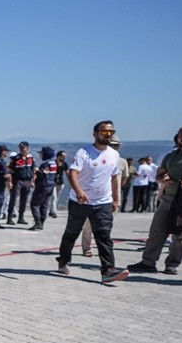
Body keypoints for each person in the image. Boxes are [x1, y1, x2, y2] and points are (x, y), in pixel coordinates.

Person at [127, 125, 182, 277]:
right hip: (169, 198)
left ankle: (172, 264)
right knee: (157, 231)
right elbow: (159, 175)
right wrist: (164, 179)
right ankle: (148, 262)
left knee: (181, 235)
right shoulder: (171, 156)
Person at [54, 120, 129, 284]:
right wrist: (79, 191)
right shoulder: (84, 152)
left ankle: (108, 270)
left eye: (111, 132)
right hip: (80, 202)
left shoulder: (114, 154)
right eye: (104, 132)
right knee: (72, 233)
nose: (108, 135)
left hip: (103, 202)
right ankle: (64, 260)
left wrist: (116, 198)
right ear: (95, 134)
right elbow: (73, 173)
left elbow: (115, 177)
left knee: (103, 235)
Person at [29, 146, 58, 230]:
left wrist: (37, 171)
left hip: (43, 186)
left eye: (41, 153)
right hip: (51, 185)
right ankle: (42, 222)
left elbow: (43, 174)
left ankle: (38, 222)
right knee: (45, 204)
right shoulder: (54, 163)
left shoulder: (45, 164)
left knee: (35, 204)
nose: (40, 155)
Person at [6, 141, 34, 224]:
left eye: (23, 148)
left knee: (24, 200)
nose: (22, 150)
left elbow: (33, 170)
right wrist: (10, 182)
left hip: (27, 181)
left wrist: (33, 181)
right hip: (17, 181)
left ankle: (21, 217)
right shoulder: (15, 158)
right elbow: (10, 170)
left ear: (27, 148)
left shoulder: (30, 158)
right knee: (13, 199)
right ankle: (9, 218)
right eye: (20, 148)